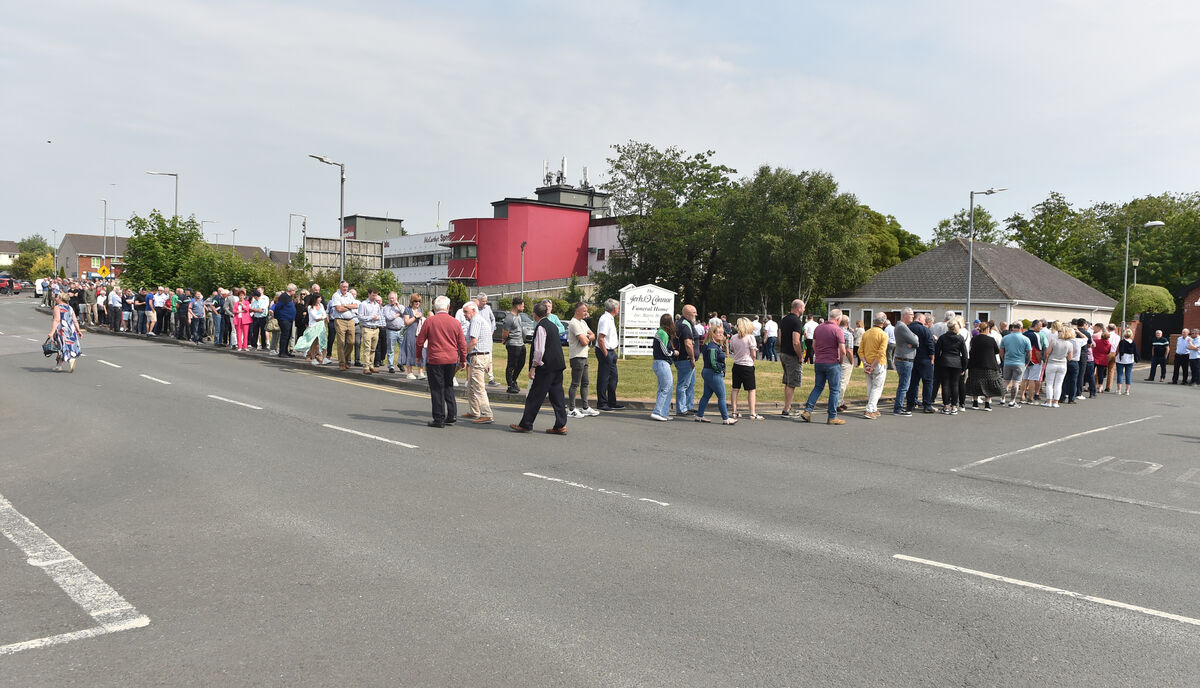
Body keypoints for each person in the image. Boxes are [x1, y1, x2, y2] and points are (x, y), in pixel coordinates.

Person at [511, 300, 568, 434]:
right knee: (557, 397)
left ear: (535, 315)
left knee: (534, 397)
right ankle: (561, 425)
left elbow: (539, 350)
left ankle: (526, 424)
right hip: (557, 366)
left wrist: (533, 367)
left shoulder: (541, 327)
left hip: (546, 367)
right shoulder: (553, 326)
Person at [417, 295, 467, 428]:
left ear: (434, 307)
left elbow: (420, 341)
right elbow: (462, 343)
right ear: (448, 307)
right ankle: (452, 415)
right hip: (451, 359)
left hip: (435, 359)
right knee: (448, 386)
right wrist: (463, 359)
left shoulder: (430, 321)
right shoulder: (455, 322)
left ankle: (439, 418)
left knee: (437, 389)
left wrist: (418, 356)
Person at [800, 308, 846, 425]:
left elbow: (814, 346)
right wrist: (840, 361)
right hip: (832, 362)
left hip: (819, 361)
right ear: (838, 318)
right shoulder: (838, 330)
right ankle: (832, 416)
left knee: (818, 387)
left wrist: (819, 355)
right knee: (834, 390)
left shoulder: (818, 328)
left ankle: (808, 410)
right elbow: (843, 350)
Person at [694, 324, 736, 424]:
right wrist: (719, 371)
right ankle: (726, 418)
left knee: (706, 395)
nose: (722, 335)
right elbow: (713, 362)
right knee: (721, 396)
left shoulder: (709, 345)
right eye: (719, 333)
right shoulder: (713, 347)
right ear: (713, 334)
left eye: (722, 333)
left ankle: (699, 415)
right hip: (713, 373)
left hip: (708, 372)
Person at [460, 301, 493, 423]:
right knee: (471, 386)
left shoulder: (475, 320)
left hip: (478, 357)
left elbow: (473, 341)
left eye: (466, 312)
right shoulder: (480, 320)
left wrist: (463, 355)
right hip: (484, 356)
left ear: (474, 311)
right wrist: (489, 363)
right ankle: (475, 411)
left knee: (478, 387)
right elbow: (488, 341)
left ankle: (487, 414)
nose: (464, 314)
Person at [567, 303, 597, 418]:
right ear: (577, 311)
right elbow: (583, 342)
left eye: (586, 310)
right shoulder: (574, 323)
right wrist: (587, 338)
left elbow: (592, 335)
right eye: (584, 310)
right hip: (577, 356)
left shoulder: (583, 323)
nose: (586, 313)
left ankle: (585, 407)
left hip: (584, 356)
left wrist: (586, 337)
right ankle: (571, 409)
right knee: (575, 383)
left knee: (585, 382)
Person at [965, 321, 1003, 411]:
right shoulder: (991, 339)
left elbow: (971, 350)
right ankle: (987, 404)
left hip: (975, 365)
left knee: (975, 383)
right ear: (986, 329)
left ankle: (975, 403)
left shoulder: (974, 339)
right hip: (989, 365)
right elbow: (996, 351)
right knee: (988, 384)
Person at [729, 317, 761, 420]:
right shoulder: (750, 337)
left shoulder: (733, 337)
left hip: (737, 365)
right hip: (747, 365)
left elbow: (733, 350)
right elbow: (753, 354)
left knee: (735, 389)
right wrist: (753, 361)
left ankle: (734, 411)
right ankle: (752, 413)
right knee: (751, 390)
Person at [778, 299, 806, 417]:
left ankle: (788, 406)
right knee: (792, 383)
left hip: (783, 353)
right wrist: (800, 356)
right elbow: (796, 341)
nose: (804, 310)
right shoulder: (797, 322)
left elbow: (779, 337)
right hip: (792, 355)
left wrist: (783, 347)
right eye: (803, 307)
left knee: (787, 381)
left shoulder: (784, 320)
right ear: (798, 308)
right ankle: (786, 409)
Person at [934, 320, 967, 414]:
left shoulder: (942, 337)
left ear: (948, 327)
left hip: (944, 362)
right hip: (957, 363)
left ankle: (946, 406)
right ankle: (954, 406)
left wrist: (937, 363)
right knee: (955, 384)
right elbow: (964, 354)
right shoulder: (960, 338)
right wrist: (964, 367)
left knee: (945, 385)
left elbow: (937, 352)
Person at [859, 314, 888, 419]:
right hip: (878, 363)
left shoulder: (866, 333)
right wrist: (873, 365)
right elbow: (881, 352)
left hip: (867, 362)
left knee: (870, 386)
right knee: (877, 387)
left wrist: (866, 363)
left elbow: (860, 351)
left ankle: (874, 408)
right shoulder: (883, 335)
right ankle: (870, 409)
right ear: (883, 323)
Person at [595, 298, 622, 411]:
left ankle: (612, 401)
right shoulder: (605, 319)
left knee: (613, 378)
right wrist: (606, 354)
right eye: (618, 307)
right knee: (604, 378)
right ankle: (602, 403)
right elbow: (601, 338)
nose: (619, 309)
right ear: (615, 308)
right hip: (605, 350)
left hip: (611, 350)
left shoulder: (609, 318)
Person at [906, 311, 936, 413]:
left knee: (913, 382)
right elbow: (930, 344)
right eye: (923, 319)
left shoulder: (907, 328)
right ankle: (927, 405)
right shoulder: (924, 329)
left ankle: (910, 403)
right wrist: (932, 357)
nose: (925, 321)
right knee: (927, 382)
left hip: (911, 358)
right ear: (919, 319)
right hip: (924, 358)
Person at [650, 314, 677, 421]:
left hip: (659, 363)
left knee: (667, 388)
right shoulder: (663, 333)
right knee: (665, 388)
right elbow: (665, 351)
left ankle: (663, 412)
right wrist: (674, 352)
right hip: (662, 363)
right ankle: (657, 411)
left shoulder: (660, 332)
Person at [892, 308, 918, 417]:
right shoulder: (902, 327)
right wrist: (914, 341)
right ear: (905, 315)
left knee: (903, 384)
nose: (913, 316)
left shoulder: (902, 326)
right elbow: (916, 341)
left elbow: (915, 339)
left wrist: (914, 340)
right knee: (904, 385)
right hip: (905, 359)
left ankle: (899, 407)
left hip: (903, 358)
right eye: (911, 314)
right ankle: (898, 408)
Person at [674, 305, 699, 416]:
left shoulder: (683, 323)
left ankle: (688, 406)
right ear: (688, 313)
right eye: (694, 312)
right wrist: (692, 358)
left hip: (685, 359)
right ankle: (681, 409)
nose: (696, 314)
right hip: (685, 359)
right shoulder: (684, 325)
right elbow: (688, 344)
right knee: (683, 385)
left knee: (690, 384)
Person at [999, 321, 1032, 408]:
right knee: (1016, 382)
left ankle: (1003, 398)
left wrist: (1004, 359)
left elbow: (1001, 351)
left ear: (1012, 328)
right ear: (1021, 328)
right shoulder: (1025, 339)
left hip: (1008, 362)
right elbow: (1029, 353)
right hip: (1020, 363)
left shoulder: (1005, 338)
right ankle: (1012, 401)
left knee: (1006, 381)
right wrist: (1027, 363)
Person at [1042, 323, 1075, 408]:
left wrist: (1046, 359)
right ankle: (1056, 402)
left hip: (1052, 363)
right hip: (1062, 364)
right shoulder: (1070, 344)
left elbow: (1048, 352)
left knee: (1049, 383)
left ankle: (1049, 401)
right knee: (1058, 384)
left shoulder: (1053, 341)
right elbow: (1070, 358)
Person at [328, 281, 359, 370]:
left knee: (351, 342)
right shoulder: (336, 295)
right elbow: (338, 309)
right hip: (340, 321)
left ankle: (344, 358)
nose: (345, 289)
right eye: (343, 287)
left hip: (351, 320)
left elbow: (356, 305)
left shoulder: (349, 295)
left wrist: (345, 305)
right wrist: (350, 307)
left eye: (346, 287)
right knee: (341, 342)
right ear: (340, 287)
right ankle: (342, 363)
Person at [47, 292, 81, 372]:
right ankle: (59, 366)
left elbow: (57, 320)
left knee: (61, 347)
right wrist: (78, 330)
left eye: (57, 297)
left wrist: (52, 332)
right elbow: (75, 320)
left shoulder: (57, 307)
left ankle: (70, 360)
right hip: (71, 329)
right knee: (64, 346)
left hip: (62, 330)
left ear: (61, 299)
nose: (56, 298)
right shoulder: (70, 307)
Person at [295, 295, 330, 365]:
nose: (320, 299)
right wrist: (322, 317)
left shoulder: (321, 305)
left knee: (323, 341)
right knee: (314, 342)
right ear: (315, 299)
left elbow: (324, 314)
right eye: (319, 298)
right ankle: (313, 358)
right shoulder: (310, 307)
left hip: (321, 326)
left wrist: (322, 317)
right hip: (313, 326)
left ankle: (324, 358)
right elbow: (315, 317)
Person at [501, 297, 526, 393]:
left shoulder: (518, 316)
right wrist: (505, 340)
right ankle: (510, 385)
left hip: (521, 343)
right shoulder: (509, 318)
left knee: (521, 363)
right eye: (522, 306)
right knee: (512, 365)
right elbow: (505, 333)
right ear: (518, 306)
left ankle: (514, 380)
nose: (523, 308)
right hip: (513, 344)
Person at [836, 315, 854, 412]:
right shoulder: (848, 334)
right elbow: (849, 350)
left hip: (834, 357)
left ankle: (840, 401)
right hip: (845, 358)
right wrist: (852, 361)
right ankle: (838, 402)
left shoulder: (835, 331)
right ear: (847, 323)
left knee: (836, 380)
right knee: (843, 381)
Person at [274, 284, 297, 357]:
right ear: (291, 290)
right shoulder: (284, 297)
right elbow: (278, 307)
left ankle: (285, 351)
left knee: (288, 335)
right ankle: (282, 352)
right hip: (284, 319)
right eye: (294, 291)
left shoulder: (288, 297)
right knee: (284, 335)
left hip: (289, 319)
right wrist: (277, 317)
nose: (295, 292)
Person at [1114, 329, 1139, 395]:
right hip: (1130, 360)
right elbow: (1136, 351)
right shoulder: (1133, 343)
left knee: (1120, 374)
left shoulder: (1122, 341)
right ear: (1131, 335)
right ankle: (1127, 391)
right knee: (1128, 374)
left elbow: (1119, 350)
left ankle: (1119, 390)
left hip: (1121, 360)